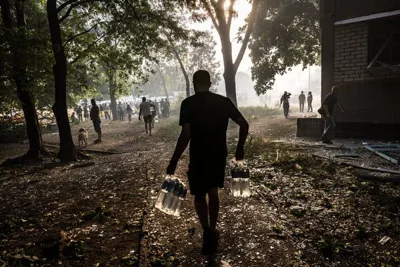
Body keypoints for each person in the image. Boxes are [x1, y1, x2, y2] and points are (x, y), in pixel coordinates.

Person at [166, 70, 249, 256]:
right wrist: (240, 148)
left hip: (199, 155)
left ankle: (207, 231)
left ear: (194, 83)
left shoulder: (187, 104)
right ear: (210, 83)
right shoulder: (223, 102)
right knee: (213, 192)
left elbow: (186, 134)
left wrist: (174, 160)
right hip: (218, 154)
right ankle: (212, 228)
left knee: (199, 195)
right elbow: (244, 124)